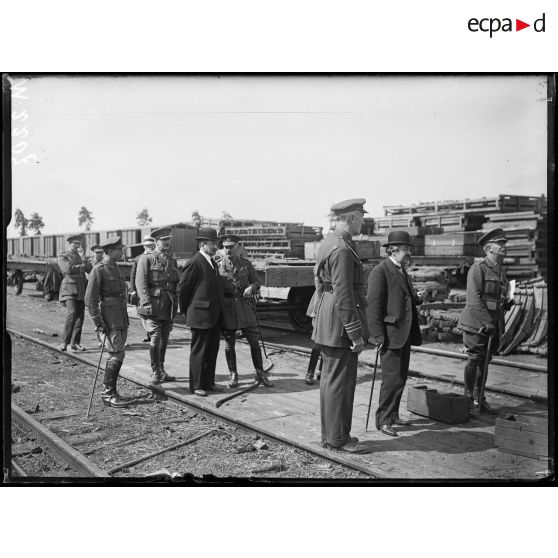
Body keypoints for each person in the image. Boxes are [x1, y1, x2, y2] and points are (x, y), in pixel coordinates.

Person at [312, 199, 370, 454]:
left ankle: (333, 435)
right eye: (361, 218)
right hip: (340, 322)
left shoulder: (329, 243)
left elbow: (319, 283)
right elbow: (345, 294)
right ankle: (337, 439)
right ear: (352, 218)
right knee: (340, 382)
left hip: (329, 317)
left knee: (331, 381)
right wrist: (355, 333)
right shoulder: (343, 249)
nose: (363, 222)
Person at [366, 230, 423, 437]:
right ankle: (383, 420)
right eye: (405, 249)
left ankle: (394, 415)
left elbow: (403, 298)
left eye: (408, 249)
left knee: (400, 378)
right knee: (390, 379)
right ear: (393, 250)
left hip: (404, 333)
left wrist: (417, 298)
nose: (408, 253)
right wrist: (377, 336)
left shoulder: (401, 270)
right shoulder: (380, 271)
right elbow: (373, 306)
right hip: (390, 335)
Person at [457, 228, 511, 417]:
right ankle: (467, 400)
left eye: (504, 243)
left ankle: (480, 398)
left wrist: (506, 303)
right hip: (476, 323)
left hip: (492, 324)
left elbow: (495, 298)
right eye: (501, 244)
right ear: (489, 248)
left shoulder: (499, 270)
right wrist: (487, 322)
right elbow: (474, 299)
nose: (505, 246)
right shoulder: (477, 269)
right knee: (474, 359)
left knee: (485, 362)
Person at [216, 234, 273, 388]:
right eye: (225, 247)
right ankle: (233, 374)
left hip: (245, 306)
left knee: (254, 341)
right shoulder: (218, 265)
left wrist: (251, 287)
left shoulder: (246, 265)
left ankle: (260, 372)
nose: (228, 250)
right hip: (227, 308)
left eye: (231, 247)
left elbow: (257, 281)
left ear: (238, 247)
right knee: (229, 343)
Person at [84, 236, 131, 408]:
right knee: (116, 353)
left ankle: (111, 392)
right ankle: (107, 394)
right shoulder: (99, 270)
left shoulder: (115, 267)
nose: (122, 251)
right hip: (109, 318)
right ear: (110, 251)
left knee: (119, 353)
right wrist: (98, 322)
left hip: (119, 315)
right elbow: (90, 299)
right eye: (120, 249)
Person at [178, 228, 225, 397]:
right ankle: (196, 385)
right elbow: (183, 290)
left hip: (213, 315)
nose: (216, 247)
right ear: (203, 244)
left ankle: (209, 383)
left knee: (212, 350)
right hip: (200, 315)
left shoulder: (211, 262)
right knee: (199, 351)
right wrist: (185, 311)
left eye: (216, 244)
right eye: (213, 244)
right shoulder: (195, 262)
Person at [136, 228, 179, 385]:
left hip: (168, 306)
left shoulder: (171, 261)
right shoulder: (147, 259)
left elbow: (175, 284)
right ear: (156, 242)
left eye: (168, 239)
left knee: (164, 339)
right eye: (163, 240)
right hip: (153, 305)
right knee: (155, 338)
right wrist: (146, 302)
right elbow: (141, 283)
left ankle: (161, 369)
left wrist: (177, 304)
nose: (166, 242)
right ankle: (155, 371)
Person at [58, 234, 92, 352]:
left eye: (79, 244)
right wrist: (80, 267)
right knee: (72, 313)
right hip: (69, 287)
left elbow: (90, 269)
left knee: (80, 317)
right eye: (75, 243)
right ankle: (64, 342)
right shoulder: (63, 255)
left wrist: (83, 260)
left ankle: (75, 342)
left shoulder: (80, 256)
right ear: (70, 243)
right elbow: (67, 269)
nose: (77, 246)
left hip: (81, 287)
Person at [130, 235, 156, 343]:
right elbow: (133, 274)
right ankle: (148, 334)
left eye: (151, 245)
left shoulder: (156, 257)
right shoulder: (138, 259)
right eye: (147, 246)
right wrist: (133, 290)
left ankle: (153, 334)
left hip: (154, 291)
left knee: (153, 312)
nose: (149, 247)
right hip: (142, 291)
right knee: (144, 313)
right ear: (144, 246)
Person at [304, 285, 323, 385]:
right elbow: (319, 286)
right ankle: (310, 372)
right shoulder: (320, 268)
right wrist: (319, 308)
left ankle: (321, 371)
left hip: (331, 301)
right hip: (321, 301)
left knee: (327, 340)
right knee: (318, 340)